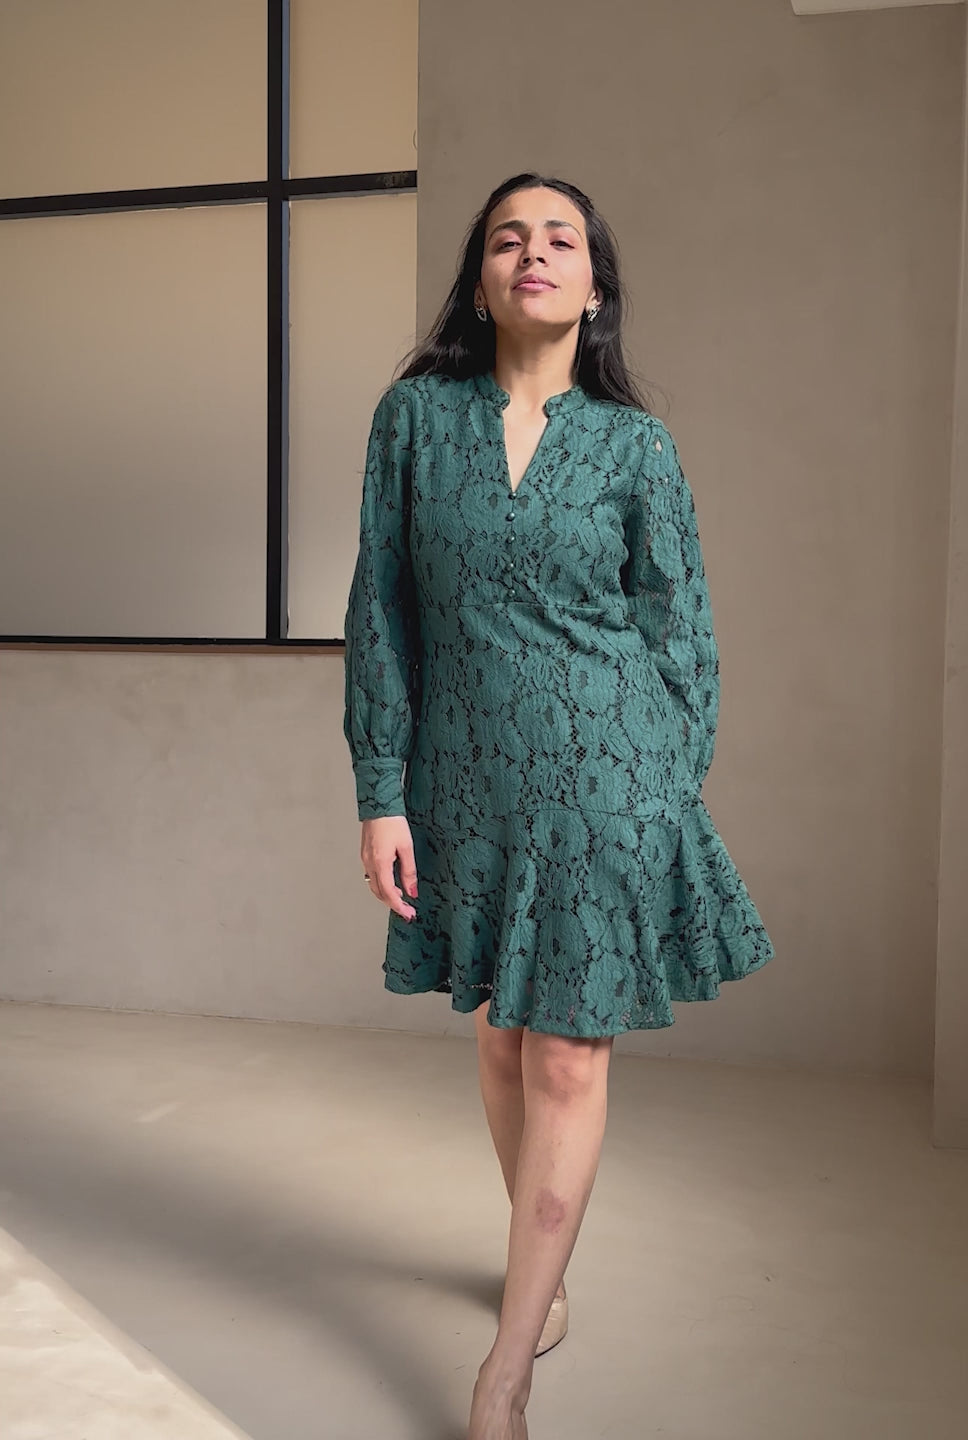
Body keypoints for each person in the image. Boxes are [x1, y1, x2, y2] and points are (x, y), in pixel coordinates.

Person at [343, 171, 775, 1440]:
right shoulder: (414, 420)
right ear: (481, 282)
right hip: (464, 784)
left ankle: (506, 1374)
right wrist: (382, 791)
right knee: (499, 1040)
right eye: (506, 239)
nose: (532, 252)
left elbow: (684, 637)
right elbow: (380, 611)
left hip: (607, 789)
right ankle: (547, 1279)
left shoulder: (638, 448)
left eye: (560, 238)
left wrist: (662, 791)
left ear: (595, 286)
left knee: (570, 1057)